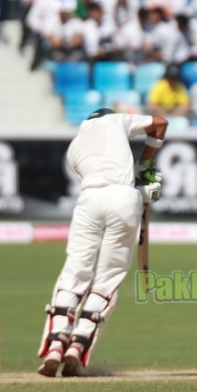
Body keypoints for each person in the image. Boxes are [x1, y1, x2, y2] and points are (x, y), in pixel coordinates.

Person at [37, 109, 166, 377]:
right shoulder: (115, 120)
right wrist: (144, 167)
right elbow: (160, 124)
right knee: (106, 279)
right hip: (123, 201)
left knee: (75, 272)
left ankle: (55, 345)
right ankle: (78, 345)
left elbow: (103, 183)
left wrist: (136, 188)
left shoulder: (74, 147)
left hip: (89, 201)